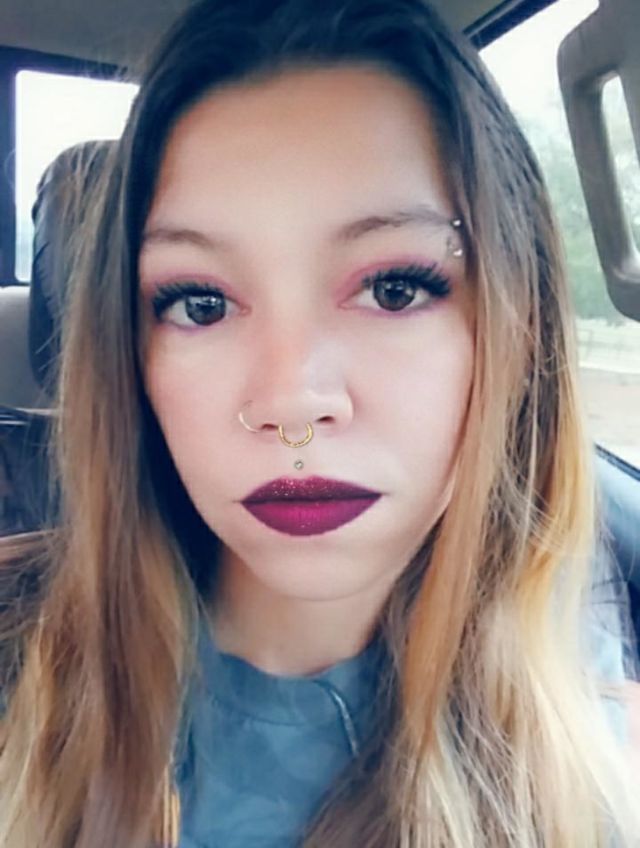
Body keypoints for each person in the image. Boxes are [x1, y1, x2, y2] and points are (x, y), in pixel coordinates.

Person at [0, 0, 637, 845]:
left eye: (394, 290)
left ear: (516, 329)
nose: (292, 403)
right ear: (130, 357)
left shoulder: (597, 750)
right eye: (200, 303)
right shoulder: (19, 669)